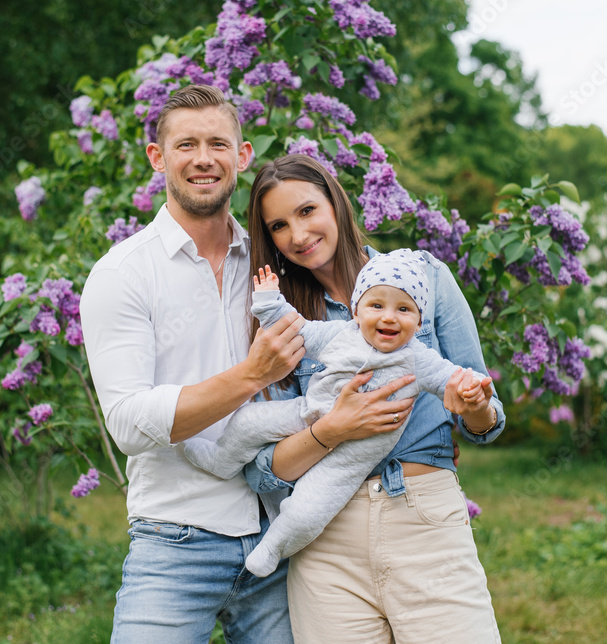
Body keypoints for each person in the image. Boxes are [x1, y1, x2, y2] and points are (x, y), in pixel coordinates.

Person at [80, 86, 416, 643]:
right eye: (186, 144)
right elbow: (127, 422)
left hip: (284, 532)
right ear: (157, 158)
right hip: (176, 538)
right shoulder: (123, 275)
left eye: (218, 142)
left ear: (242, 155)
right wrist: (251, 376)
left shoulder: (279, 262)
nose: (203, 158)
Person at [242, 154, 505, 643]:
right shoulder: (287, 322)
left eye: (306, 211)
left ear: (336, 205)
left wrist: (474, 407)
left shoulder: (424, 277)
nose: (297, 235)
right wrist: (331, 430)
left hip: (423, 518)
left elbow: (488, 419)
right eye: (279, 225)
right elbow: (262, 468)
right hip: (325, 538)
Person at [184, 252, 494, 578]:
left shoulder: (419, 358)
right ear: (356, 312)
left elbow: (453, 377)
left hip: (359, 453)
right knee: (248, 421)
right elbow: (295, 328)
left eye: (403, 309)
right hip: (310, 415)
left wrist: (470, 389)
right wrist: (268, 302)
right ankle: (221, 459)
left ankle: (274, 546)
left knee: (310, 507)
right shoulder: (337, 334)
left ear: (418, 323)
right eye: (377, 306)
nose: (389, 317)